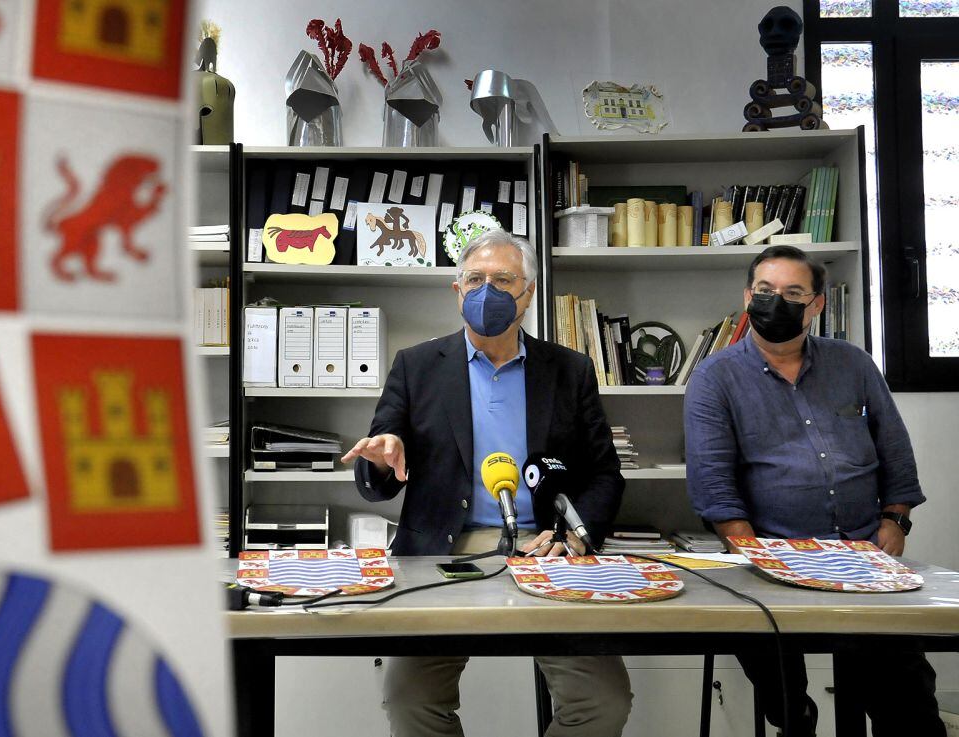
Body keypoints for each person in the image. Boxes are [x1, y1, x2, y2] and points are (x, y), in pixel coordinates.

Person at [341, 229, 632, 737]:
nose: (487, 292)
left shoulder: (570, 369)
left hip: (545, 548)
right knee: (409, 701)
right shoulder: (416, 366)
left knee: (603, 701)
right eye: (475, 280)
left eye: (503, 279)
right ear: (457, 291)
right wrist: (384, 459)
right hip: (442, 550)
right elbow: (378, 473)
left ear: (529, 291)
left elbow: (604, 473)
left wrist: (575, 538)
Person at [684, 245, 944, 736]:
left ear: (817, 304)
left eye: (793, 292)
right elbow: (713, 484)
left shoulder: (854, 364)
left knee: (907, 703)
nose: (775, 302)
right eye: (765, 291)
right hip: (770, 560)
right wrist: (754, 556)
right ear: (747, 297)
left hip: (863, 553)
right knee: (783, 696)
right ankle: (795, 719)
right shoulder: (714, 378)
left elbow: (896, 453)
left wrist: (896, 520)